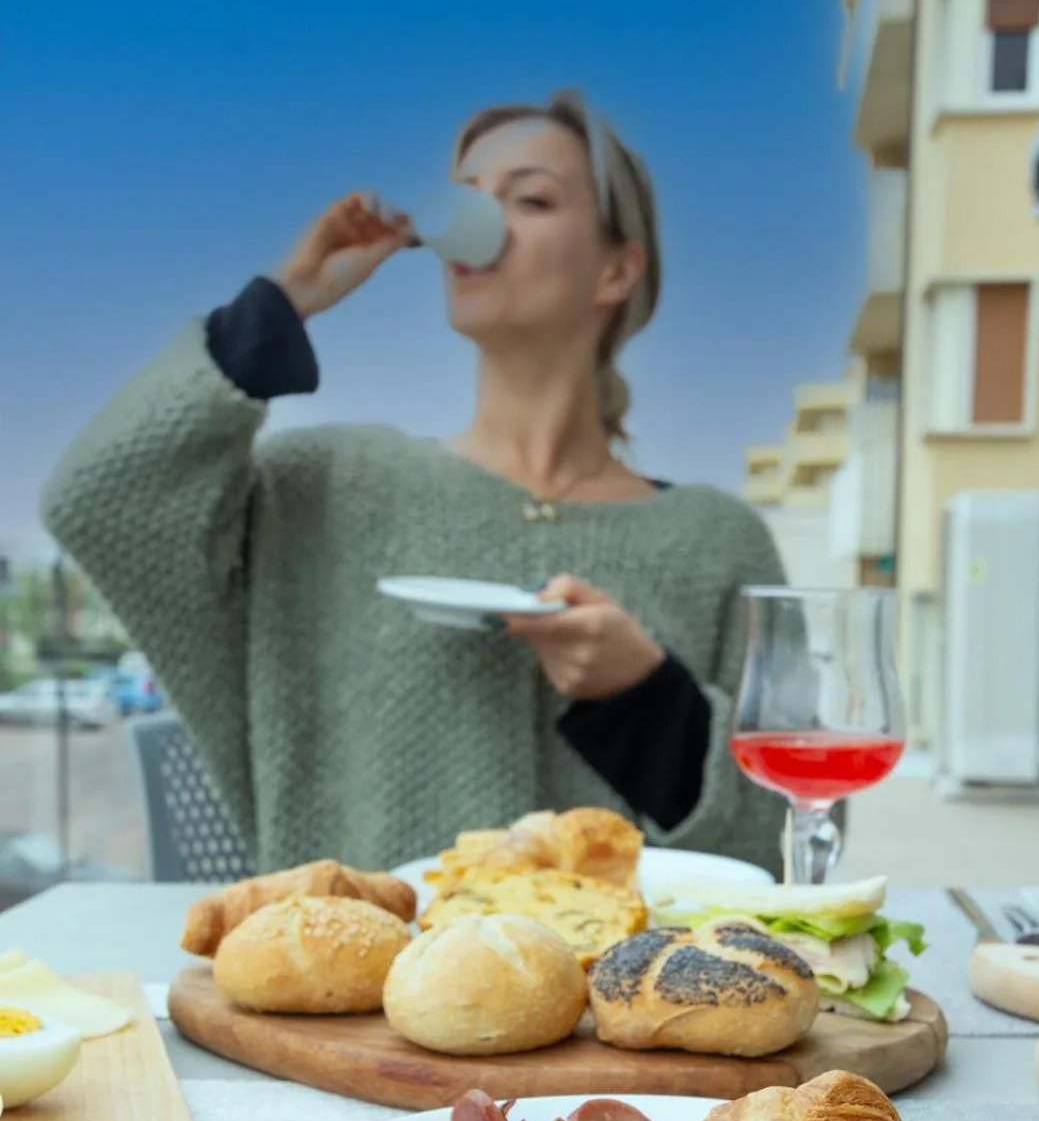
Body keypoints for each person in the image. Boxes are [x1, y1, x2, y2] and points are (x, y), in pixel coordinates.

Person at [42, 89, 787, 877]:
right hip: (359, 995)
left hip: (618, 999)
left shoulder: (719, 543)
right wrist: (280, 306)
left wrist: (644, 695)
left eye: (530, 198)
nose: (481, 221)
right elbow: (99, 499)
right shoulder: (327, 487)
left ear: (616, 268)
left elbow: (760, 853)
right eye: (465, 200)